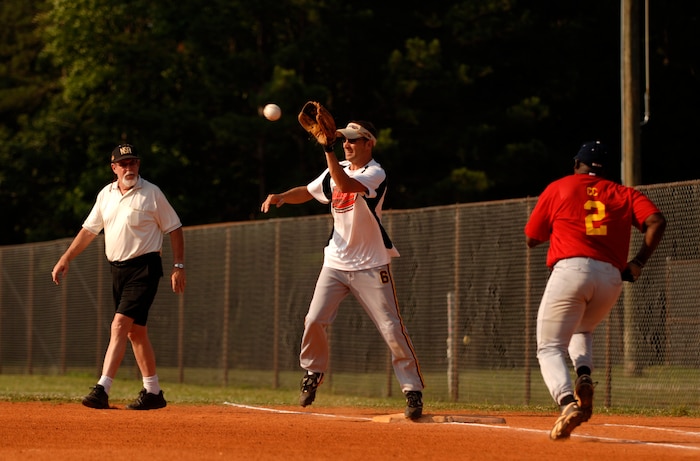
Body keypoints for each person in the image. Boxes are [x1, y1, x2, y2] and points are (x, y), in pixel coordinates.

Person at [261, 120, 425, 419]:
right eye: (343, 141)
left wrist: (327, 151)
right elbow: (310, 191)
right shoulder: (336, 170)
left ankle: (412, 389)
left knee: (390, 327)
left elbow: (347, 186)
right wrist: (283, 196)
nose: (346, 145)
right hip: (335, 262)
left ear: (368, 143)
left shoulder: (375, 173)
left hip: (371, 264)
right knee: (313, 319)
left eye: (352, 140)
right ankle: (313, 371)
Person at [525, 141, 666, 440]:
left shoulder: (560, 187)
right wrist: (638, 261)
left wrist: (560, 225)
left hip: (571, 271)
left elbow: (531, 237)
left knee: (549, 347)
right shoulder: (625, 193)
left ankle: (567, 403)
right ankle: (584, 373)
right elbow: (656, 221)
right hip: (611, 277)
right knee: (583, 329)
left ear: (577, 164)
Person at [52, 144, 186, 410]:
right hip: (117, 271)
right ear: (113, 168)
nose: (129, 168)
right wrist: (65, 258)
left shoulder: (152, 193)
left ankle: (102, 388)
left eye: (133, 162)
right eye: (123, 164)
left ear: (139, 165)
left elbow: (175, 227)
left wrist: (178, 265)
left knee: (119, 325)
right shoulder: (106, 195)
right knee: (135, 332)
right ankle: (153, 391)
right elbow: (89, 231)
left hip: (145, 268)